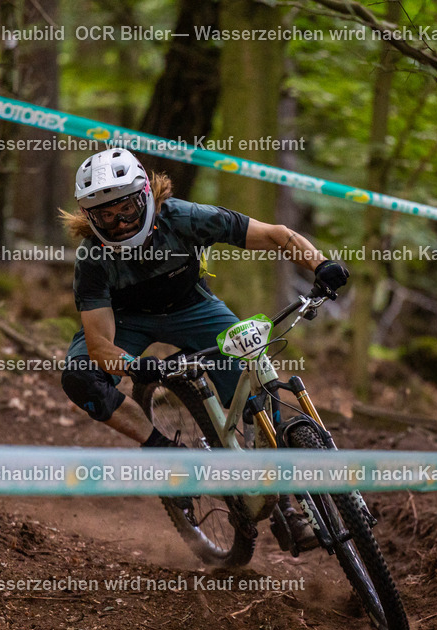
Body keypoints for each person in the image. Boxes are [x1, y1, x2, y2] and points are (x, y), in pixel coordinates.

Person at [59, 148, 348, 547]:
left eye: (127, 208)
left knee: (256, 381)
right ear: (89, 217)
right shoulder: (93, 258)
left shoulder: (184, 217)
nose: (121, 222)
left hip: (193, 308)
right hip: (128, 320)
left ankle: (287, 508)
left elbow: (276, 235)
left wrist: (320, 265)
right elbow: (99, 345)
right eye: (106, 216)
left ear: (145, 196)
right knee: (81, 377)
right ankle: (162, 451)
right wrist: (132, 365)